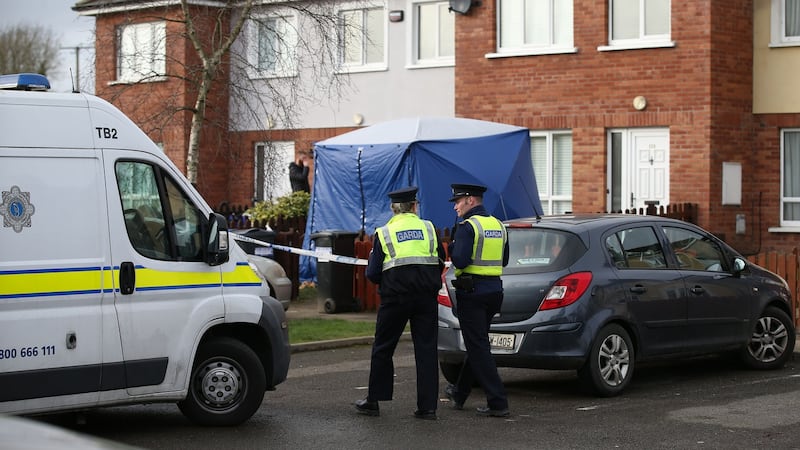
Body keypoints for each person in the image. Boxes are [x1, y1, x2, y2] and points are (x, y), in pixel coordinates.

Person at [354, 186, 446, 420]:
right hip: (425, 297)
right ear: (414, 206)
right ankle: (428, 408)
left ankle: (374, 400)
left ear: (393, 208)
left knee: (383, 347)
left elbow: (373, 273)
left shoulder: (384, 232)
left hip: (395, 298)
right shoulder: (429, 229)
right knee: (426, 350)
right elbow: (440, 260)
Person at [445, 183, 510, 418]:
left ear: (471, 200)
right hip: (494, 291)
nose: (455, 207)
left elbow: (460, 261)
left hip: (472, 293)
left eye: (458, 202)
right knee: (477, 344)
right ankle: (459, 393)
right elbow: (504, 260)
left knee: (479, 347)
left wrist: (452, 246)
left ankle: (498, 401)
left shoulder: (467, 226)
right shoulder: (498, 224)